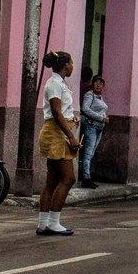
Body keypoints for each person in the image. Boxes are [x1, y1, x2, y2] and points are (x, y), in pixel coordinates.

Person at [34, 52, 79, 236]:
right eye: (71, 62)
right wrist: (71, 136)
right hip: (56, 134)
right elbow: (56, 112)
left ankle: (43, 224)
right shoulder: (54, 84)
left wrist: (71, 118)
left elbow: (63, 111)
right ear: (65, 65)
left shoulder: (59, 83)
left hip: (59, 131)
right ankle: (53, 222)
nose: (72, 66)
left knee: (52, 180)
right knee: (68, 178)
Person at [79, 74, 110, 188]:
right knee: (88, 152)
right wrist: (101, 117)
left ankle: (87, 176)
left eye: (101, 83)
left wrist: (105, 117)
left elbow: (100, 110)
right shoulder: (89, 95)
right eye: (96, 82)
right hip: (91, 126)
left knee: (91, 153)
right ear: (93, 84)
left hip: (99, 128)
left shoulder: (100, 98)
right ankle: (85, 178)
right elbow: (85, 108)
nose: (98, 85)